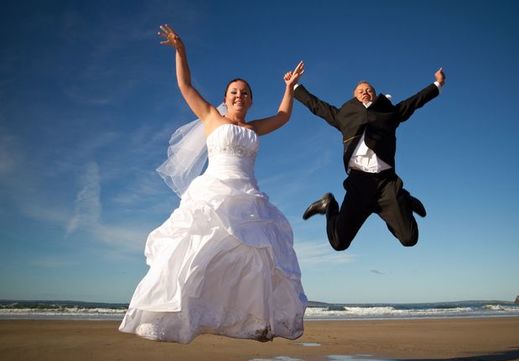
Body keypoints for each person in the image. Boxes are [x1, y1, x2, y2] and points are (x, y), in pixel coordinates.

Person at [119, 25, 307, 343]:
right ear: (225, 98)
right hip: (214, 191)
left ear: (249, 100)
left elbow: (283, 116)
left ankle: (252, 321)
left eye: (245, 93)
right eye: (234, 91)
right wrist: (181, 50)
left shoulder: (254, 127)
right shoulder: (210, 117)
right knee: (195, 250)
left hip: (248, 195)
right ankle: (184, 310)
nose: (239, 95)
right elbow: (185, 85)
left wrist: (290, 87)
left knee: (256, 258)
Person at [294, 68, 446, 251]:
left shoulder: (390, 114)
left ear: (375, 95)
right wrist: (294, 86)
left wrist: (437, 84)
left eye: (369, 90)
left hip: (386, 184)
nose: (365, 92)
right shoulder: (343, 115)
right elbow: (316, 105)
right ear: (354, 97)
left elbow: (415, 101)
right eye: (361, 90)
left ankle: (402, 200)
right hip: (359, 184)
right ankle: (330, 204)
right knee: (338, 242)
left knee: (409, 238)